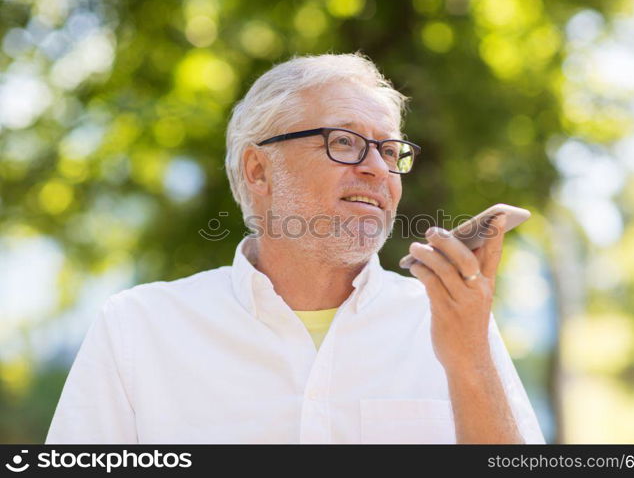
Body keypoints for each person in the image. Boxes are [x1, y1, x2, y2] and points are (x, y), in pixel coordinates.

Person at [46, 53, 545, 444]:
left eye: (390, 151)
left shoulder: (452, 323)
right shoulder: (138, 329)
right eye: (345, 142)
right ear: (258, 170)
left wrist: (470, 363)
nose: (377, 168)